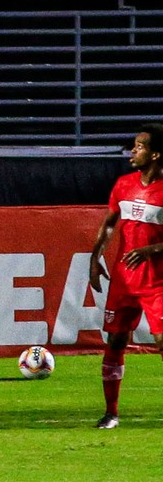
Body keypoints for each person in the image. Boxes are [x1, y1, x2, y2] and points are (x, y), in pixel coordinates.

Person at [89, 123, 163, 430]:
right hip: (123, 279)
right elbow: (109, 223)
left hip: (157, 281)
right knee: (116, 339)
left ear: (156, 154)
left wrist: (151, 250)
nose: (133, 151)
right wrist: (95, 257)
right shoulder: (123, 184)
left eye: (140, 147)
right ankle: (111, 412)